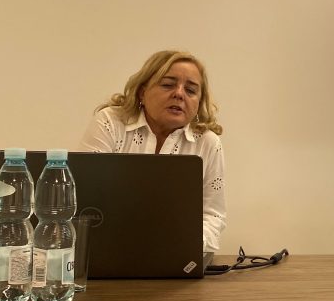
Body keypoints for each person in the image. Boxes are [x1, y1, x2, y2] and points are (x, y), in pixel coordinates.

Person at [79, 50, 225, 253]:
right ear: (142, 92)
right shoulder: (110, 122)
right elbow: (83, 198)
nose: (179, 94)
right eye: (167, 85)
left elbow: (213, 216)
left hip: (176, 254)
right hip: (104, 249)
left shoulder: (207, 143)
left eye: (191, 90)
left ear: (199, 103)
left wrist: (186, 243)